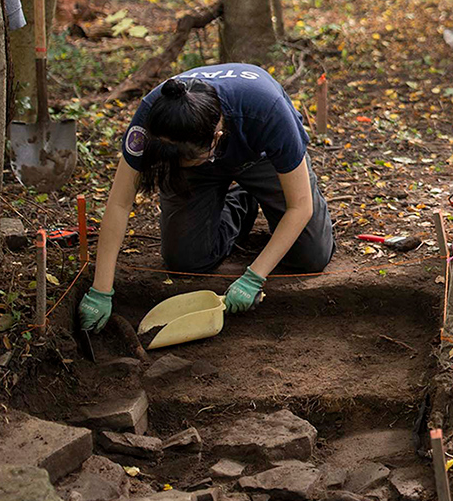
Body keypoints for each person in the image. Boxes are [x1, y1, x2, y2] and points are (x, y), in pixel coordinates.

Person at [77, 64, 334, 332]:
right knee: (185, 260)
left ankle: (253, 190)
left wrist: (254, 276)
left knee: (310, 256)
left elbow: (300, 206)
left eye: (189, 160)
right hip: (192, 158)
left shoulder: (266, 108)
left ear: (216, 138)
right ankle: (241, 202)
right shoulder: (153, 118)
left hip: (261, 157)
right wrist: (101, 290)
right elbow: (119, 203)